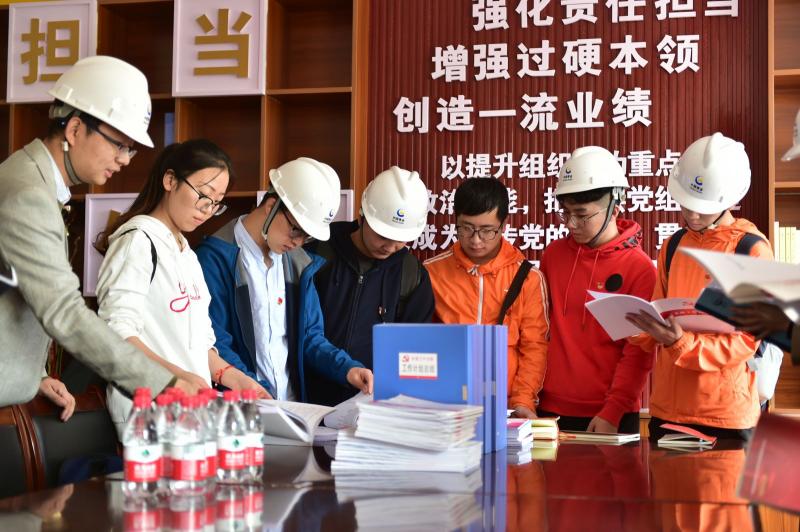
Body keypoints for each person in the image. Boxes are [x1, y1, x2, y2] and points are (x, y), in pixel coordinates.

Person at [0, 56, 194, 418]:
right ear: (75, 130)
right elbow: (63, 312)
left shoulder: (31, 181)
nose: (125, 159)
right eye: (118, 144)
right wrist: (162, 384)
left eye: (130, 148)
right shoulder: (29, 194)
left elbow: (11, 292)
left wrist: (32, 374)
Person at [95, 139, 269, 432]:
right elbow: (115, 333)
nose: (207, 209)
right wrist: (174, 379)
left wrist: (236, 378)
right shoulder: (138, 240)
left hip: (188, 416)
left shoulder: (187, 253)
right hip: (147, 415)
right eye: (203, 194)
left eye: (216, 202)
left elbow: (200, 344)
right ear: (170, 180)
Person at [626, 132, 772, 440]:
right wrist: (638, 326)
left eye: (702, 207)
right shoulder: (673, 245)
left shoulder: (751, 251)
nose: (691, 214)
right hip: (668, 411)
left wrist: (681, 343)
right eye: (685, 204)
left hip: (725, 416)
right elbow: (659, 311)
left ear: (730, 200)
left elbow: (746, 342)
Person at [196, 157, 373, 402]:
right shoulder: (214, 259)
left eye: (307, 237)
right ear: (271, 206)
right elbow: (216, 342)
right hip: (241, 406)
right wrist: (255, 390)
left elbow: (310, 337)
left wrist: (347, 369)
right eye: (295, 229)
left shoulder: (298, 264)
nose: (298, 242)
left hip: (289, 407)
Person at [537, 147, 656, 434]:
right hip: (550, 410)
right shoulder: (553, 256)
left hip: (610, 416)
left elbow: (638, 352)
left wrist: (613, 411)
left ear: (614, 208)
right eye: (566, 213)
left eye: (581, 215)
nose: (571, 224)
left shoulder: (639, 269)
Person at [305, 166, 434, 405]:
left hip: (373, 405)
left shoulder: (412, 275)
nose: (390, 247)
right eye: (382, 235)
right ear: (362, 215)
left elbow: (415, 351)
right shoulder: (317, 252)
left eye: (400, 239)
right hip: (307, 399)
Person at [424, 177, 549, 419]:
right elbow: (421, 342)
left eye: (487, 230)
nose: (476, 240)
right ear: (455, 221)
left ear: (504, 225)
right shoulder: (431, 273)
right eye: (466, 228)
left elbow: (534, 347)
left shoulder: (528, 278)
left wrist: (523, 401)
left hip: (506, 406)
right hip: (446, 405)